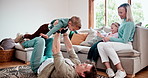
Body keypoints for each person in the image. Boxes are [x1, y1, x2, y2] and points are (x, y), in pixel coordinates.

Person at [97, 3, 135, 78]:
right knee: (100, 44)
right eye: (118, 12)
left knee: (107, 44)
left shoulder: (129, 23)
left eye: (121, 12)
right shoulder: (123, 22)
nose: (119, 14)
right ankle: (109, 69)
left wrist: (110, 38)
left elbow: (124, 40)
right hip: (121, 43)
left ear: (127, 12)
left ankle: (121, 70)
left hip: (127, 44)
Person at [14, 16, 81, 42]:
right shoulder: (62, 23)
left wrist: (78, 33)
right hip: (44, 28)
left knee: (40, 40)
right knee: (33, 36)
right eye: (73, 29)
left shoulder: (68, 25)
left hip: (48, 30)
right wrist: (48, 35)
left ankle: (27, 40)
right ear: (70, 23)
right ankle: (23, 36)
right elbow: (54, 29)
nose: (73, 31)